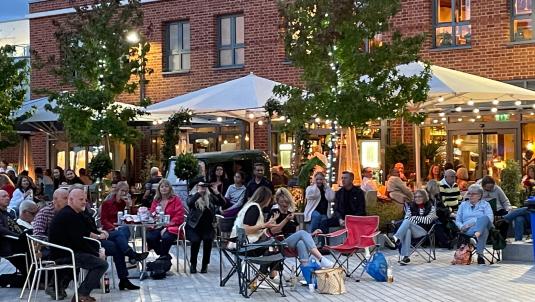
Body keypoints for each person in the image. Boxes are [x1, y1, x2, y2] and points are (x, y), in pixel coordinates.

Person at [48, 188, 109, 301]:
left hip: (67, 251)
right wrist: (96, 253)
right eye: (81, 199)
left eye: (85, 199)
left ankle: (81, 293)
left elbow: (82, 235)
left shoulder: (73, 213)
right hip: (64, 254)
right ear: (71, 200)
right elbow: (78, 242)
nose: (84, 202)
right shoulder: (69, 215)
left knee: (98, 261)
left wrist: (95, 249)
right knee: (102, 264)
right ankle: (81, 294)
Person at [268, 188, 333, 269]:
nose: (285, 204)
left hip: (292, 242)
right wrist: (286, 220)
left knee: (301, 243)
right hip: (280, 243)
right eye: (282, 202)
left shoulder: (290, 214)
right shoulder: (275, 212)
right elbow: (273, 231)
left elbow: (297, 233)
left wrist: (311, 234)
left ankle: (307, 274)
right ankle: (321, 258)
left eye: (287, 202)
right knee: (302, 233)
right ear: (277, 201)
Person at [100, 181, 149, 262]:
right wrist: (113, 228)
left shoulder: (123, 203)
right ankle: (132, 255)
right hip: (109, 229)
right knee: (120, 236)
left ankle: (130, 257)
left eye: (126, 191)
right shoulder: (107, 203)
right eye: (122, 190)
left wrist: (129, 205)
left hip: (121, 227)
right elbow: (103, 220)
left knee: (123, 231)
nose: (124, 193)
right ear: (117, 191)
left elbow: (130, 216)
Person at [389, 189, 438, 265]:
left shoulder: (431, 207)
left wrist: (414, 218)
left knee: (408, 222)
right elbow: (407, 218)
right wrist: (417, 219)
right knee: (407, 230)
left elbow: (428, 220)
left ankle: (396, 238)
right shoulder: (411, 207)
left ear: (424, 197)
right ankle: (405, 257)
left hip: (423, 230)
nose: (417, 198)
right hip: (411, 230)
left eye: (420, 196)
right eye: (415, 197)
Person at [186, 182, 226, 273]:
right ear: (196, 187)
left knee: (208, 240)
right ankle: (193, 264)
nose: (203, 188)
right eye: (201, 186)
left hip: (208, 227)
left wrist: (216, 192)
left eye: (204, 186)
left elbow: (223, 203)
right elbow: (189, 203)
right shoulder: (192, 196)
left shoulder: (210, 197)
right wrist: (198, 193)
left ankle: (205, 264)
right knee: (195, 241)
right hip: (193, 226)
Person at [455, 184, 493, 265]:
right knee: (484, 230)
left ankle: (476, 236)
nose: (470, 196)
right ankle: (480, 256)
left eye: (473, 194)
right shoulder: (463, 205)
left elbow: (490, 219)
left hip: (483, 225)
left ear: (480, 195)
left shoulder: (485, 205)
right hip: (468, 229)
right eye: (469, 193)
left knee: (485, 219)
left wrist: (474, 221)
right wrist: (462, 227)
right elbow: (457, 220)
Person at [147, 179, 186, 257]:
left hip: (173, 226)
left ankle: (163, 258)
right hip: (158, 225)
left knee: (166, 238)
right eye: (162, 187)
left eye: (166, 186)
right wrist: (152, 219)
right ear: (159, 189)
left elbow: (179, 216)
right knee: (150, 237)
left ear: (170, 188)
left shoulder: (175, 199)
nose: (164, 188)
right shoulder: (156, 200)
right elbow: (152, 213)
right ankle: (164, 256)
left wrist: (167, 227)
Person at [0, 189, 27, 288]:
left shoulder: (8, 213)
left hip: (16, 243)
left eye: (8, 196)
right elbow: (1, 230)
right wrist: (18, 237)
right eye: (4, 196)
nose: (7, 198)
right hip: (8, 245)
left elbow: (17, 226)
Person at [304, 172, 335, 236]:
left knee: (324, 220)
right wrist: (315, 185)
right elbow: (313, 195)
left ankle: (323, 242)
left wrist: (326, 187)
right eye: (317, 179)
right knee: (316, 216)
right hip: (312, 211)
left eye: (321, 179)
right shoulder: (310, 188)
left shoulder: (326, 188)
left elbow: (331, 198)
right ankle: (312, 235)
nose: (319, 181)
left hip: (323, 212)